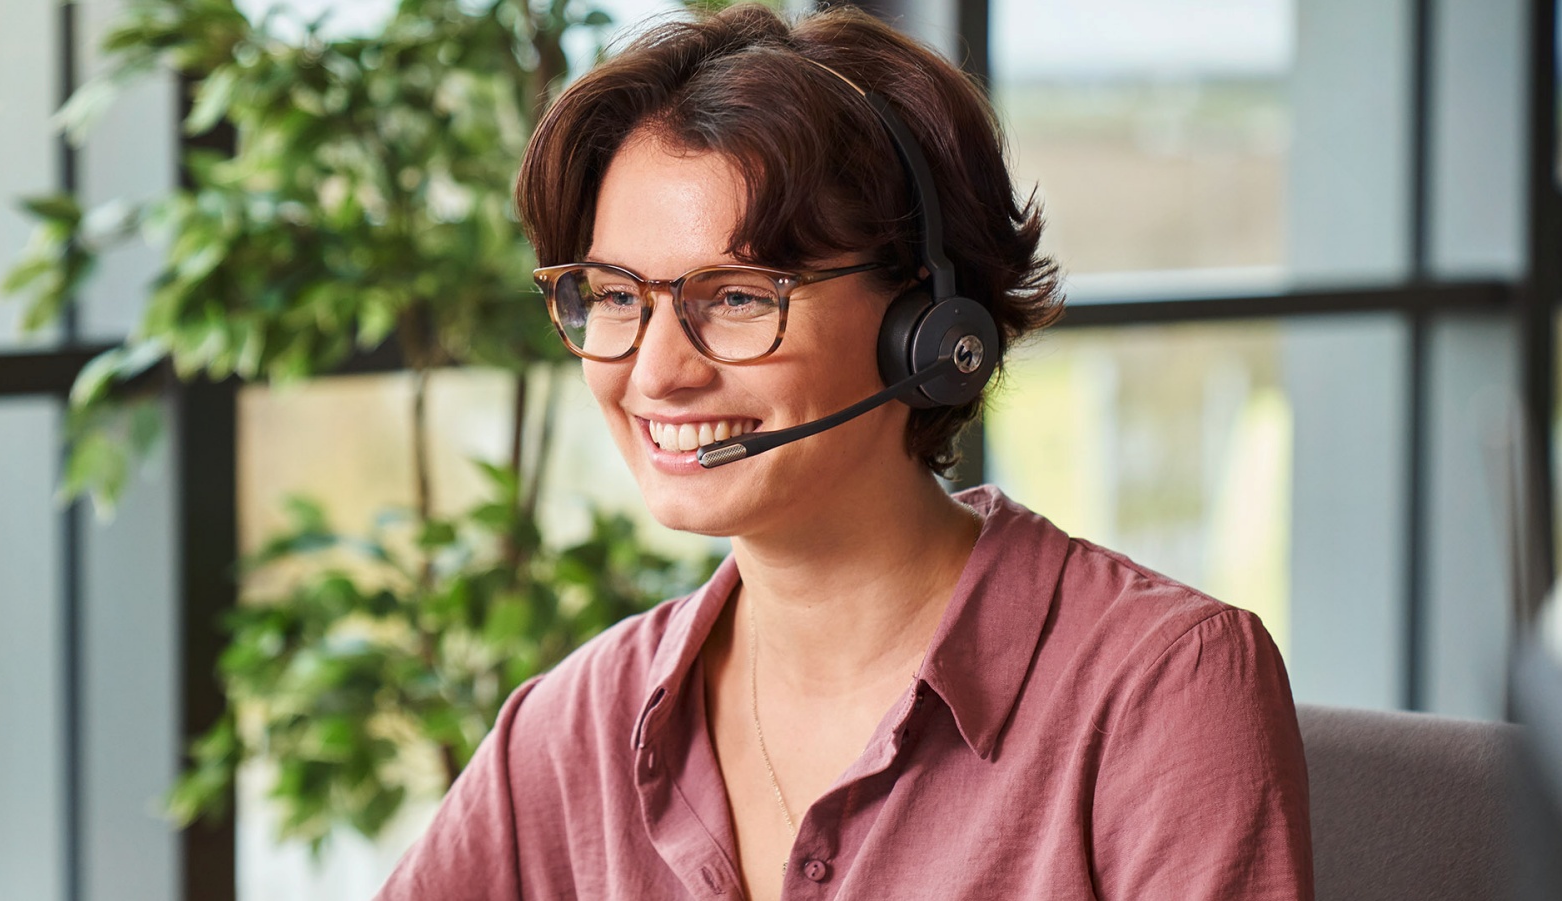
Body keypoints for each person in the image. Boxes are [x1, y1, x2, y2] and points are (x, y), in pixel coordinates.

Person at [377, 4, 1312, 899]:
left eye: (738, 296)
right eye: (617, 295)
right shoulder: (573, 725)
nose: (656, 373)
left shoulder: (1161, 693)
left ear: (928, 325)